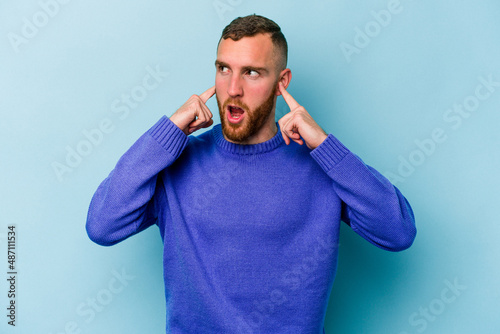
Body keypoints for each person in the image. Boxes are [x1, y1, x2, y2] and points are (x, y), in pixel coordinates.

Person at [86, 14, 416, 333]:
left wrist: (325, 147)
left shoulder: (321, 166)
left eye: (252, 73)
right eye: (223, 69)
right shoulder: (177, 162)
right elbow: (102, 224)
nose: (233, 88)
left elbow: (397, 232)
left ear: (281, 83)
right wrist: (167, 133)